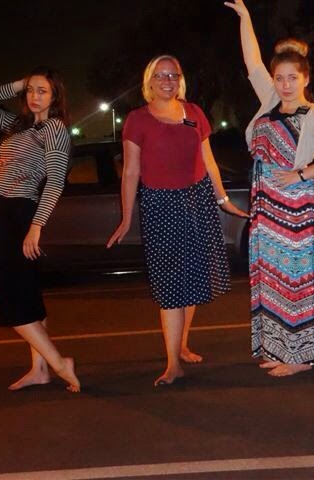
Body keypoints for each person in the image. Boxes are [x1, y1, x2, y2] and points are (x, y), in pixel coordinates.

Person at [226, 0, 314, 376]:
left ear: (305, 79)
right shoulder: (270, 101)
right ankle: (281, 348)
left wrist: (302, 174)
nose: (284, 84)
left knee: (296, 282)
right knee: (272, 281)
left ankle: (301, 357)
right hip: (266, 206)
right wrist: (246, 18)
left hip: (296, 208)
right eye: (279, 77)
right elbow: (252, 62)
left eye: (292, 78)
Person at [107, 54, 248, 386]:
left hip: (197, 200)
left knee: (193, 279)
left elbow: (209, 162)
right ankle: (173, 364)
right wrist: (126, 218)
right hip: (160, 205)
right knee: (170, 283)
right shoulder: (137, 120)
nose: (167, 81)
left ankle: (181, 345)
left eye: (173, 75)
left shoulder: (194, 112)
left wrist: (223, 200)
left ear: (180, 80)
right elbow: (131, 172)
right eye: (160, 75)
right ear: (149, 81)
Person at [0, 66, 80, 392]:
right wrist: (19, 83)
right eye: (31, 90)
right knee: (28, 293)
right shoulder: (17, 125)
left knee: (9, 295)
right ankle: (40, 369)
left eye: (42, 91)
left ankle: (60, 364)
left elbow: (56, 181)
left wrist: (36, 225)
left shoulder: (54, 128)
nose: (34, 96)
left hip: (19, 211)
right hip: (2, 209)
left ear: (55, 96)